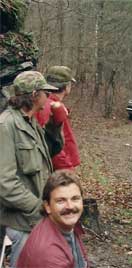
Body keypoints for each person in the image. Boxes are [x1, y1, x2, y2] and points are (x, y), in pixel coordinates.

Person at [0, 71, 58, 267]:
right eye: (45, 93)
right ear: (34, 95)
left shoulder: (30, 121)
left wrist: (55, 125)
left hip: (34, 221)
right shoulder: (6, 125)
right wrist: (39, 208)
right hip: (22, 223)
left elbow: (48, 154)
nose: (48, 97)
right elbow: (5, 184)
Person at [16, 170, 88, 268]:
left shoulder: (65, 225)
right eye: (61, 201)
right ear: (47, 206)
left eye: (75, 198)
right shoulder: (49, 256)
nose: (70, 206)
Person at [36, 66, 80, 170]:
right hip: (57, 169)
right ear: (66, 86)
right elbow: (53, 145)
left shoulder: (44, 104)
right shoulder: (53, 108)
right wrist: (67, 170)